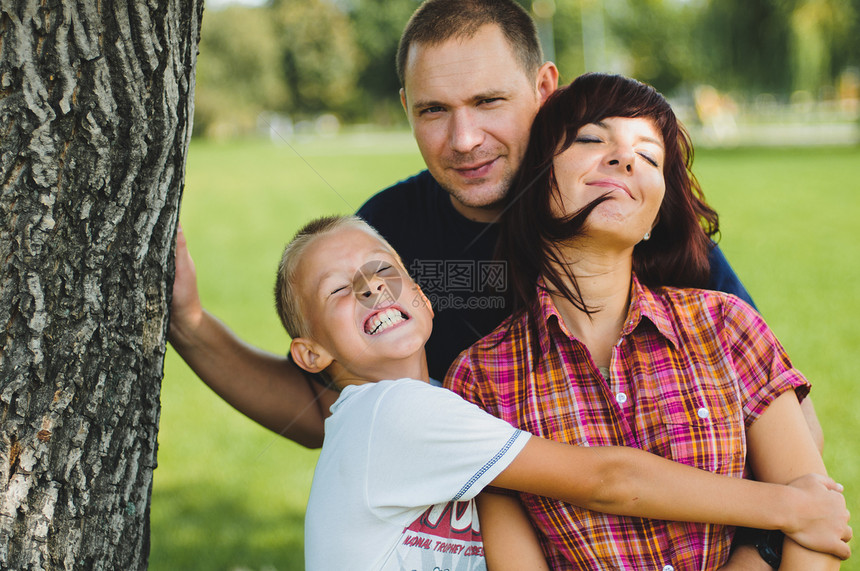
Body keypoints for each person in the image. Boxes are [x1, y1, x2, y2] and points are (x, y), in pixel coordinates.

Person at [167, 0, 821, 566]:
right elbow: (337, 406)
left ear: (544, 87)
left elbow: (780, 417)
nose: (463, 138)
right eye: (433, 110)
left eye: (488, 101)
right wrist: (190, 326)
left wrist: (760, 547)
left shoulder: (622, 213)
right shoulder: (388, 239)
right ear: (405, 107)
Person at [275, 214, 850, 571]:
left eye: (382, 270)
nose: (372, 286)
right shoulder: (391, 414)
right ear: (310, 354)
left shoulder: (446, 406)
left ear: (425, 299)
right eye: (339, 290)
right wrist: (791, 507)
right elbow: (610, 481)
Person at [446, 72, 846, 570]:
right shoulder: (480, 379)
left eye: (648, 156)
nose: (624, 158)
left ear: (656, 214)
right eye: (592, 139)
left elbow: (818, 524)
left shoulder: (726, 325)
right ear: (535, 178)